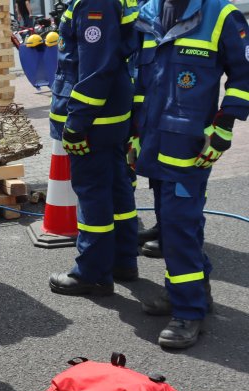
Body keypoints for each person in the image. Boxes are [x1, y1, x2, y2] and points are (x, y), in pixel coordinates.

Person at [130, 0, 249, 348]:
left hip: (191, 145)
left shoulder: (221, 14)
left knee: (180, 224)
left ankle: (189, 311)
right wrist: (135, 133)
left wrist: (225, 126)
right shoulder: (149, 13)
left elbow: (243, 75)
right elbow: (142, 80)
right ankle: (192, 289)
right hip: (153, 141)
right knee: (173, 223)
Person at [46, 0, 139, 296]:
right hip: (108, 115)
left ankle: (93, 272)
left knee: (93, 193)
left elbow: (95, 68)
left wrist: (76, 123)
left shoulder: (95, 3)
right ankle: (123, 259)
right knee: (116, 187)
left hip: (94, 121)